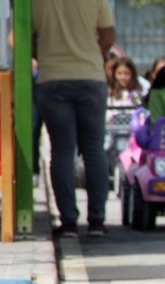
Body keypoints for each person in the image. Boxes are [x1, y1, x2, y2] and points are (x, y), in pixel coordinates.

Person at [33, 0, 116, 238]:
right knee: (93, 150)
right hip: (90, 76)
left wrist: (45, 55)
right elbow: (108, 36)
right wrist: (89, 53)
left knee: (61, 151)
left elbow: (16, 39)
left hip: (52, 78)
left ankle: (68, 222)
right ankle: (97, 222)